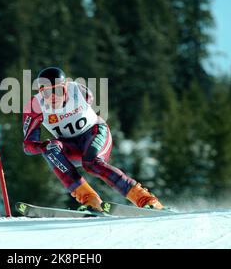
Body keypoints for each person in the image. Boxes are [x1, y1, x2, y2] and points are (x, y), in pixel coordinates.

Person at [22, 67, 164, 212]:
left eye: (57, 90)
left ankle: (147, 199)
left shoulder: (79, 92)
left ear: (65, 87)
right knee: (51, 150)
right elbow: (28, 145)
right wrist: (43, 146)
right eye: (46, 92)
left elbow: (89, 98)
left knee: (91, 163)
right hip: (71, 146)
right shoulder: (35, 107)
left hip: (94, 133)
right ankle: (91, 201)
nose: (52, 96)